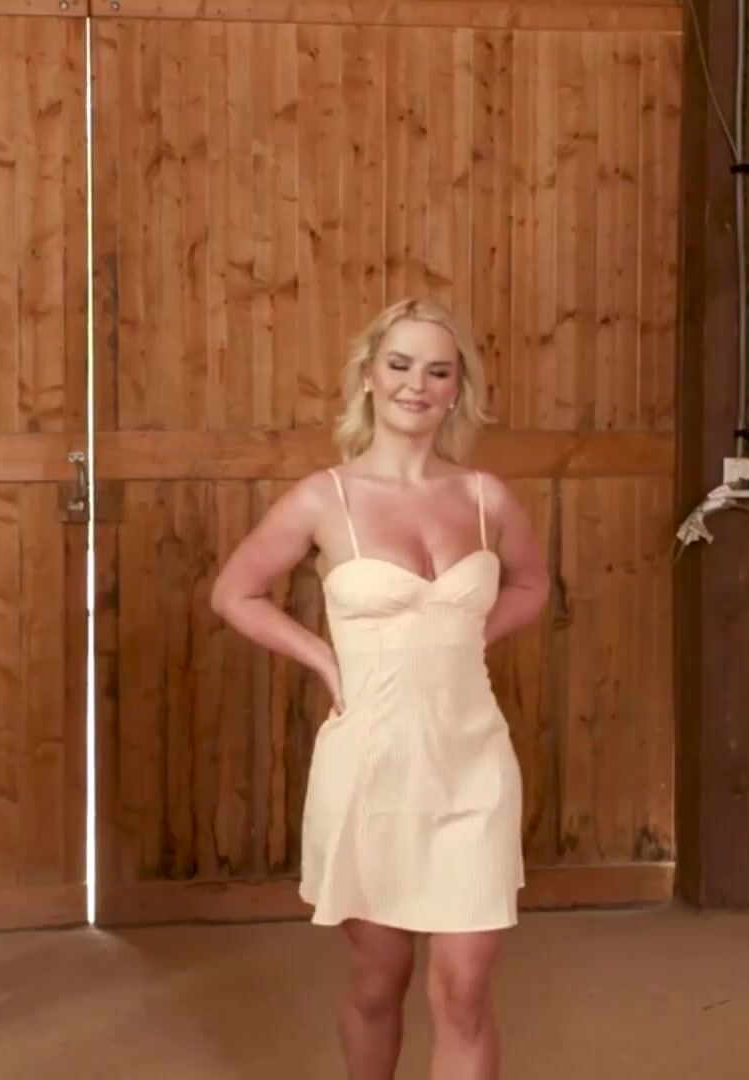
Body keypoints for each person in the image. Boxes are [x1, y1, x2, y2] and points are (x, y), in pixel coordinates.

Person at [209, 298, 551, 1080]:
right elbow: (235, 592)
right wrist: (324, 661)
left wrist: (469, 636)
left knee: (465, 994)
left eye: (437, 371)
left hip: (472, 762)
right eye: (399, 365)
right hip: (370, 764)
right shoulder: (323, 497)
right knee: (376, 984)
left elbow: (532, 585)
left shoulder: (486, 496)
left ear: (457, 390)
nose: (415, 385)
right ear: (368, 376)